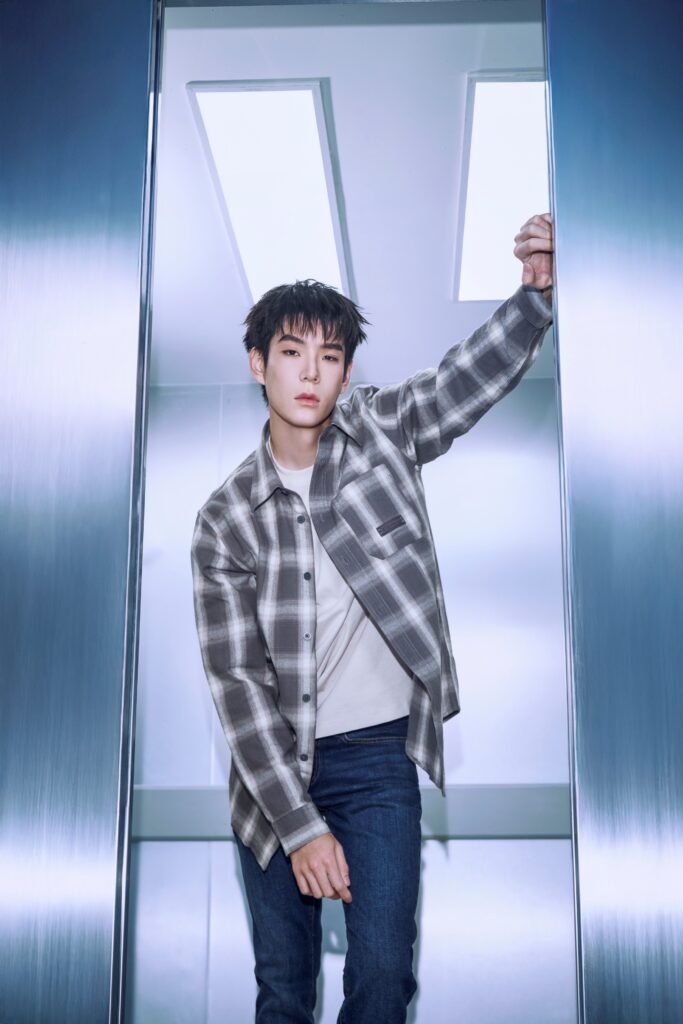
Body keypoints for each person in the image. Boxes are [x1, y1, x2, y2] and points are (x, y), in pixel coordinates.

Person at [190, 213, 555, 1023]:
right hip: (271, 776)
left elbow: (461, 380)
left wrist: (533, 298)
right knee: (284, 992)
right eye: (291, 352)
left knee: (384, 980)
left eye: (329, 356)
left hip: (377, 759)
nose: (309, 373)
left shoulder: (383, 431)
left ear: (346, 373)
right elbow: (237, 686)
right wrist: (298, 825)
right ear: (258, 363)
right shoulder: (223, 520)